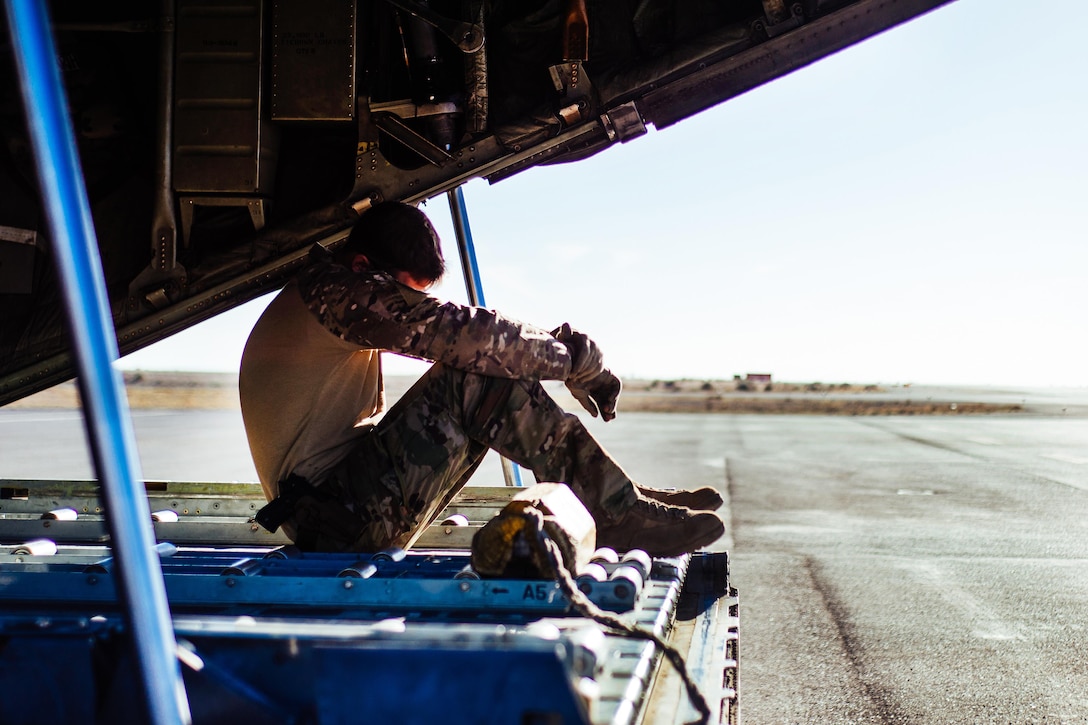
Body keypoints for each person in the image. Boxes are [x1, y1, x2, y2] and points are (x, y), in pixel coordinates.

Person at [239, 202, 724, 557]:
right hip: (335, 523)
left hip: (345, 509)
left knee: (478, 369)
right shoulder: (337, 294)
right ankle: (614, 509)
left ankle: (616, 497)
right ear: (364, 268)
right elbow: (470, 337)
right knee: (473, 378)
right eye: (406, 297)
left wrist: (556, 345)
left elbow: (472, 334)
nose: (413, 310)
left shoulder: (332, 295)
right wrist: (575, 361)